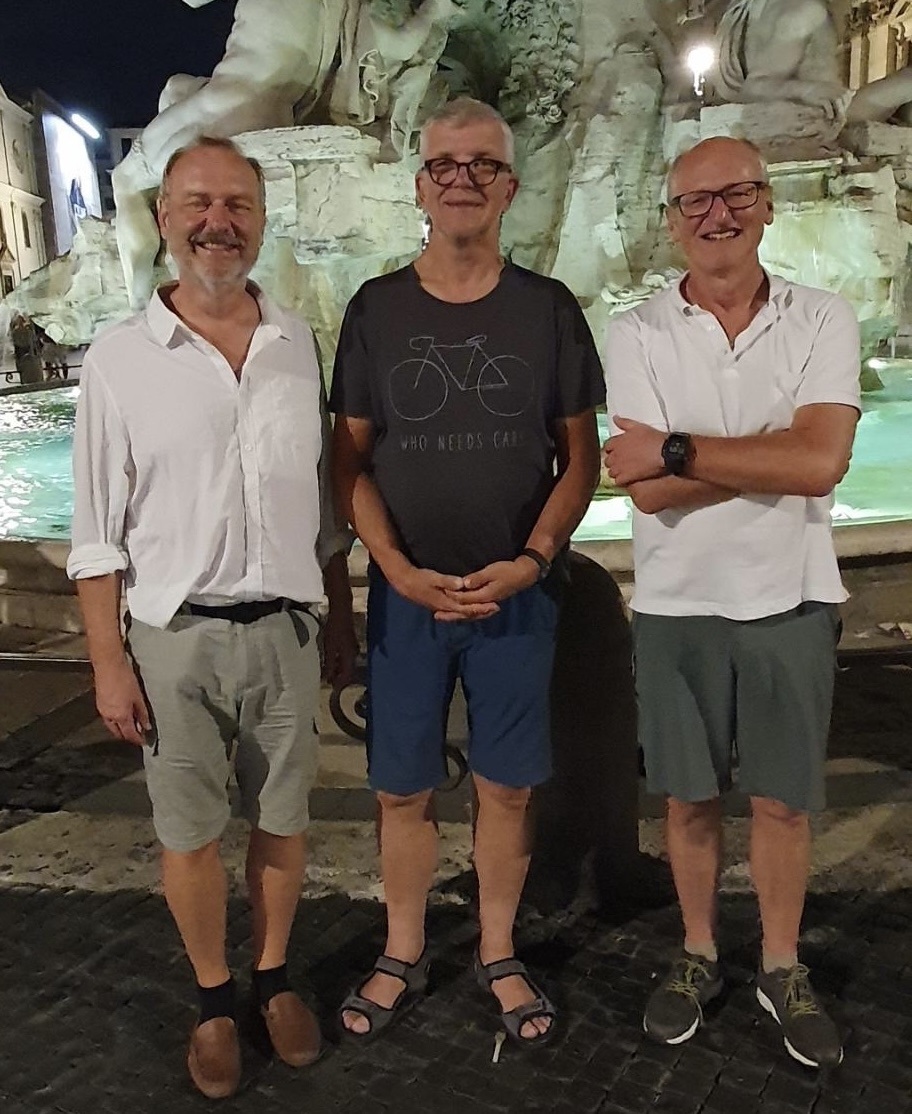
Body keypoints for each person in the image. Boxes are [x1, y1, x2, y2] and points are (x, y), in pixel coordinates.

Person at [68, 136, 357, 1100]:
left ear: (262, 218)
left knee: (282, 823)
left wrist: (339, 615)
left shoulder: (293, 345)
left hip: (285, 629)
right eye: (197, 202)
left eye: (236, 203)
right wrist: (109, 662)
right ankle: (213, 1000)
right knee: (188, 833)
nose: (217, 221)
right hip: (173, 635)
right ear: (165, 219)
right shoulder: (119, 360)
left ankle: (274, 978)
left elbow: (321, 505)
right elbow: (97, 529)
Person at [330, 96, 605, 1048]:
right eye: (446, 164)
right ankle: (403, 947)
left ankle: (495, 948)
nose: (462, 179)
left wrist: (533, 561)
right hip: (407, 601)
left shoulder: (548, 310)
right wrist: (393, 570)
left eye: (481, 165)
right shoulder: (374, 309)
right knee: (400, 788)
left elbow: (582, 459)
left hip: (516, 600)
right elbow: (348, 462)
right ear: (420, 185)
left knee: (508, 787)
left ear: (509, 187)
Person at [603, 136, 859, 1069]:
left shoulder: (822, 315)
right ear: (672, 221)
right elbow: (645, 488)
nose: (717, 214)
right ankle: (701, 950)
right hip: (678, 601)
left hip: (792, 593)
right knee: (689, 796)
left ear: (767, 202)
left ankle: (781, 964)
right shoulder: (634, 333)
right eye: (695, 201)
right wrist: (764, 450)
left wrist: (683, 447)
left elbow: (822, 461)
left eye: (736, 193)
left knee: (784, 801)